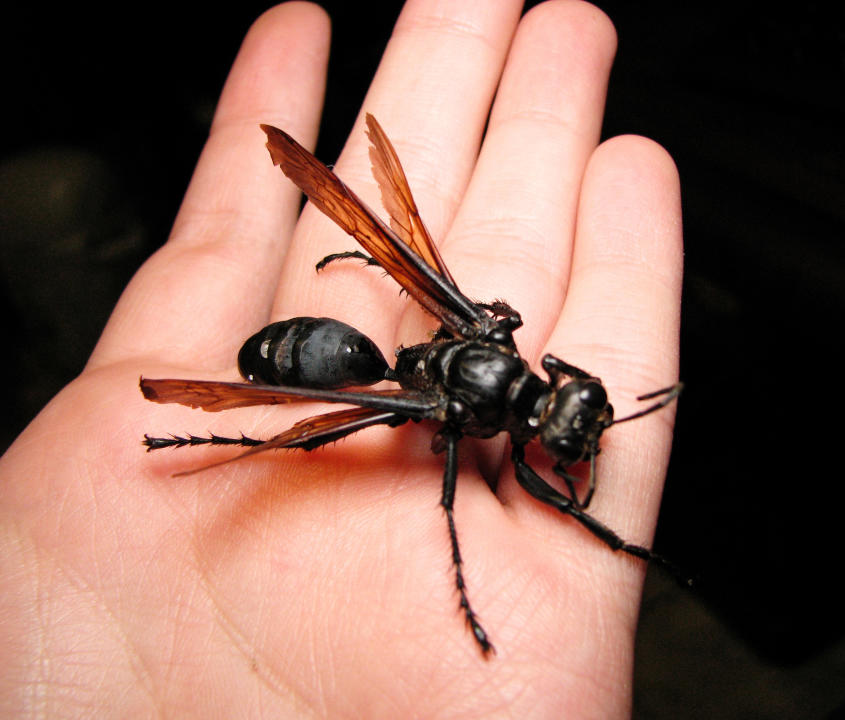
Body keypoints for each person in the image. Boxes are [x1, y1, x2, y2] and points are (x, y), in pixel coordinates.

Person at [0, 1, 682, 715]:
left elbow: (495, 325)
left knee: (364, 401)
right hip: (344, 366)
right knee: (349, 418)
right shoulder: (469, 410)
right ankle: (228, 435)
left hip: (377, 355)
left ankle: (223, 432)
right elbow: (475, 468)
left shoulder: (488, 339)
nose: (561, 433)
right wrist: (471, 551)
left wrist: (484, 319)